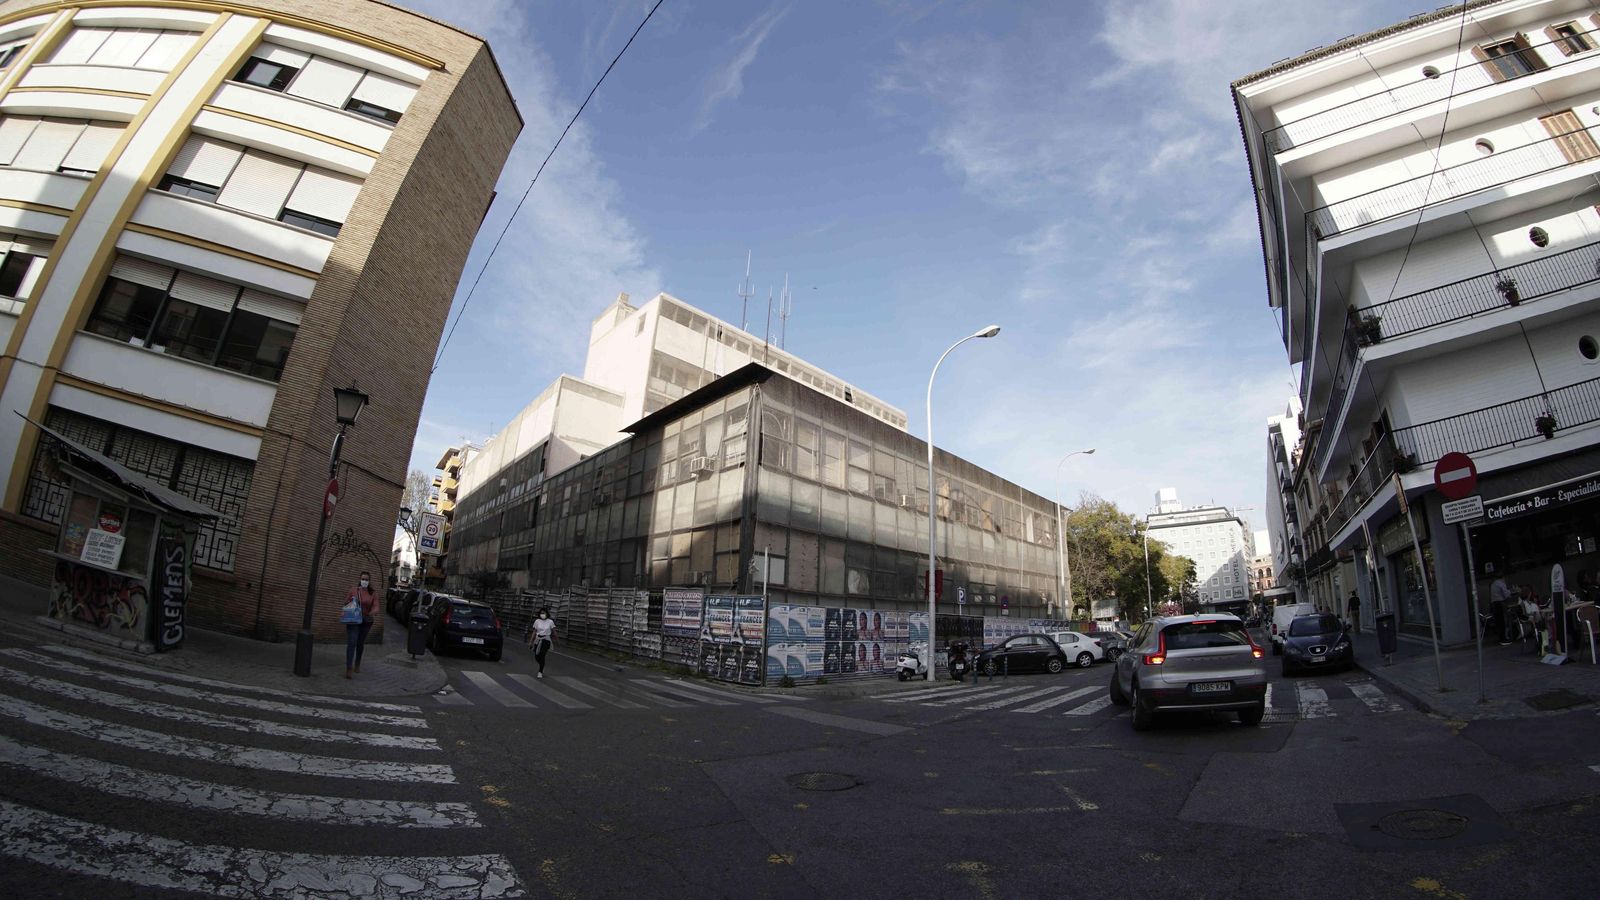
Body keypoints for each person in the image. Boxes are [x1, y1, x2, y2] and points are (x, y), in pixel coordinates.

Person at [345, 571, 378, 679]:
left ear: (369, 581)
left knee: (360, 643)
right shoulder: (354, 590)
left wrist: (371, 612)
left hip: (366, 621)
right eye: (363, 579)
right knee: (352, 642)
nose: (364, 581)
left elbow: (376, 606)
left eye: (366, 579)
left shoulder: (372, 593)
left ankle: (357, 663)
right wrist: (351, 603)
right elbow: (346, 602)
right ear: (360, 579)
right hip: (354, 619)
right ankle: (349, 668)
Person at [530, 607, 555, 678]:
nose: (542, 614)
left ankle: (540, 672)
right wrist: (531, 642)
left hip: (546, 640)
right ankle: (542, 665)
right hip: (538, 639)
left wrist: (557, 641)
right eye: (541, 613)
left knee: (542, 655)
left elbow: (554, 632)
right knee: (536, 656)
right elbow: (534, 632)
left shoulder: (550, 622)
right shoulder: (537, 621)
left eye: (544, 613)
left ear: (547, 613)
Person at [1490, 571, 1513, 644]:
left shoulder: (1493, 584)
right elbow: (1506, 595)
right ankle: (1504, 639)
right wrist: (1511, 591)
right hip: (1500, 603)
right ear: (1503, 577)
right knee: (1503, 621)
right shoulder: (1501, 584)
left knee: (1499, 622)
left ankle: (1501, 638)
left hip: (1494, 604)